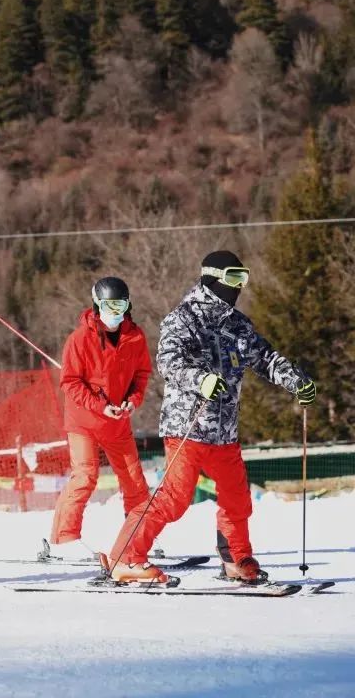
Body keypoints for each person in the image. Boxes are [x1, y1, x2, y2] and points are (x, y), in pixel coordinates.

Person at [103, 250, 316, 584]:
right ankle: (125, 558)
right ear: (212, 277)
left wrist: (297, 380)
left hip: (224, 432)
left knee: (237, 499)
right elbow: (169, 362)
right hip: (188, 425)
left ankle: (236, 559)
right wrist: (200, 379)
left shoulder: (238, 324)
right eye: (233, 279)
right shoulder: (184, 318)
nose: (239, 287)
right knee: (173, 501)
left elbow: (265, 358)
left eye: (243, 279)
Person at [43, 277, 152, 561]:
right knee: (85, 476)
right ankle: (64, 540)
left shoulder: (136, 337)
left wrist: (133, 401)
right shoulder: (79, 339)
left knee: (134, 481)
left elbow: (141, 376)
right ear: (96, 304)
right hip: (84, 422)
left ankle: (137, 538)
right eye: (109, 305)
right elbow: (70, 382)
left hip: (118, 422)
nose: (116, 311)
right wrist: (99, 406)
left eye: (121, 304)